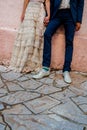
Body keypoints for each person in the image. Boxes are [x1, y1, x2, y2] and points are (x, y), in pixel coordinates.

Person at [32, 0, 84, 83]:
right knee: (47, 34)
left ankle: (66, 70)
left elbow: (80, 4)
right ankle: (45, 68)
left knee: (69, 41)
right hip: (57, 13)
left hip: (71, 14)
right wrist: (48, 16)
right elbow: (51, 1)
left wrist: (79, 21)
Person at [9, 0, 50, 73]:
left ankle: (32, 63)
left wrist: (48, 15)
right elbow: (26, 0)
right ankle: (24, 62)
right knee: (29, 36)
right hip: (30, 10)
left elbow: (47, 1)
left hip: (40, 11)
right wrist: (23, 13)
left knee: (37, 37)